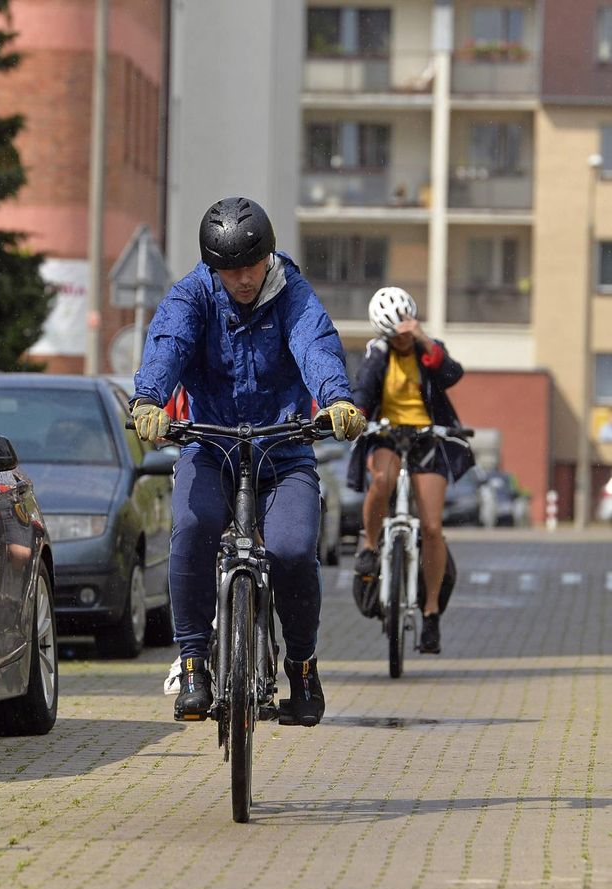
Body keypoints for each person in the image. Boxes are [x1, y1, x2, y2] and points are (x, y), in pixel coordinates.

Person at [130, 196, 366, 726]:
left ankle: (302, 666)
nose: (241, 278)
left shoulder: (293, 293)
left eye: (250, 266)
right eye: (229, 269)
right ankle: (193, 662)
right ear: (213, 267)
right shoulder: (192, 294)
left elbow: (316, 344)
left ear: (270, 255)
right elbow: (169, 340)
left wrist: (335, 400)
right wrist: (148, 399)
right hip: (209, 444)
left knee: (291, 547)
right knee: (191, 527)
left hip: (284, 447)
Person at [348, 286, 474, 654]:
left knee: (433, 527)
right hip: (387, 434)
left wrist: (420, 338)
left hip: (427, 437)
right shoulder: (377, 353)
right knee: (382, 480)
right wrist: (357, 416)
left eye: (404, 334)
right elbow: (363, 389)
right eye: (394, 337)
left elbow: (451, 374)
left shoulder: (426, 349)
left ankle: (431, 613)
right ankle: (370, 545)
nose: (401, 342)